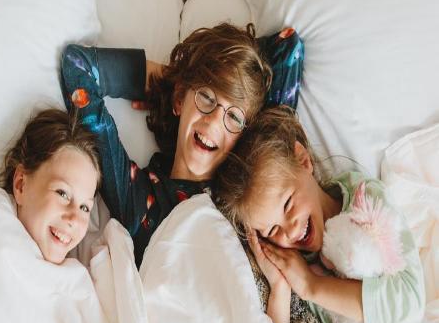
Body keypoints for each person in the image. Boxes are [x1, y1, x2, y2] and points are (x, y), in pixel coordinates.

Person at [60, 24, 304, 266]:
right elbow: (77, 64)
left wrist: (186, 79)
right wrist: (168, 83)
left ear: (243, 134)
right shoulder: (138, 199)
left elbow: (287, 45)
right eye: (206, 97)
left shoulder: (248, 196)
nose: (213, 122)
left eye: (234, 117)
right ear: (179, 100)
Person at [215, 106, 425, 323]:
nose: (290, 230)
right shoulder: (291, 263)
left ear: (303, 160)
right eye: (272, 229)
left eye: (288, 204)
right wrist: (280, 288)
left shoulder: (363, 200)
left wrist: (311, 285)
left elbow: (410, 304)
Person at [0, 109, 101, 265]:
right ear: (21, 185)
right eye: (63, 193)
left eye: (85, 207)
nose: (74, 219)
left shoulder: (76, 274)